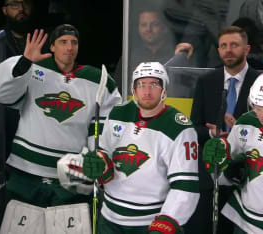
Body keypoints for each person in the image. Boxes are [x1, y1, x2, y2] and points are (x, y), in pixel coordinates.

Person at [0, 24, 122, 207]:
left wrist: (97, 158)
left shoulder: (99, 81)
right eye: (63, 42)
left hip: (71, 176)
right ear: (52, 47)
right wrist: (25, 62)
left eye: (74, 42)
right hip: (26, 172)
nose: (69, 47)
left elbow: (103, 128)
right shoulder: (32, 69)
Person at [82, 62, 199, 233]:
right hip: (109, 219)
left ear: (164, 90)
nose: (147, 91)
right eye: (141, 84)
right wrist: (101, 164)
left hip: (150, 223)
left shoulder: (180, 128)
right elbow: (104, 151)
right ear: (134, 90)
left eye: (154, 84)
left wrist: (168, 221)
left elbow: (185, 187)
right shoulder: (118, 113)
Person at [189, 25, 260, 233]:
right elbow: (195, 128)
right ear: (218, 50)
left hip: (248, 178)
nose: (228, 50)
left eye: (234, 45)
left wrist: (246, 129)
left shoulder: (260, 82)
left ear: (247, 49)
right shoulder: (205, 81)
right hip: (211, 175)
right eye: (223, 46)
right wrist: (212, 134)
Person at [202, 74, 263, 233]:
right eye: (259, 107)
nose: (262, 115)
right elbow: (222, 179)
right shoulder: (246, 123)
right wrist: (219, 164)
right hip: (247, 221)